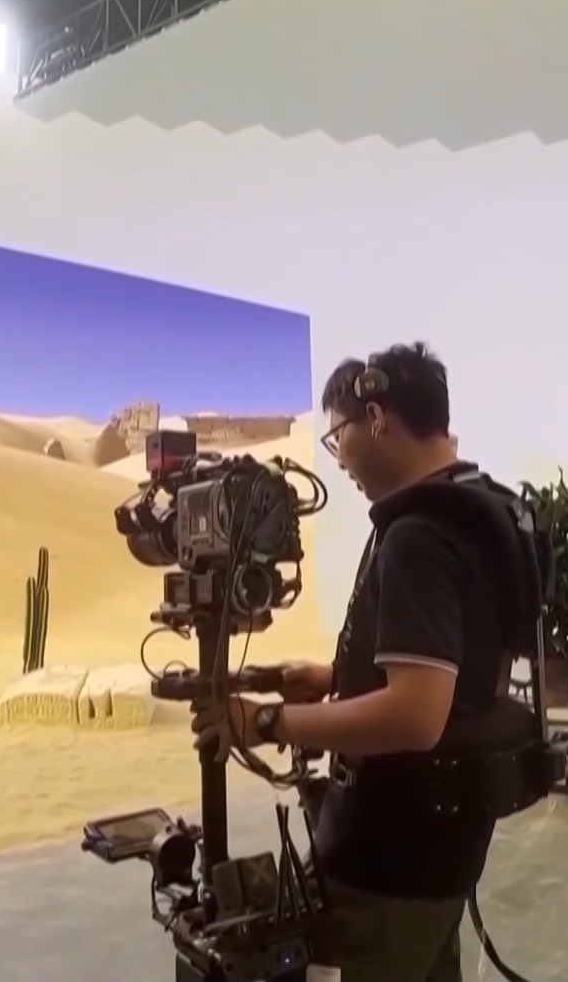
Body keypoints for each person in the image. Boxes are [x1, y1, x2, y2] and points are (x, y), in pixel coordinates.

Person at [190, 342, 535, 982]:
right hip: (444, 851)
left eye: (337, 435)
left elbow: (416, 716)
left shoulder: (419, 535)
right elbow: (460, 669)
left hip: (388, 861)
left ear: (375, 418)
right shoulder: (481, 509)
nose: (340, 457)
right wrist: (334, 678)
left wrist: (265, 723)